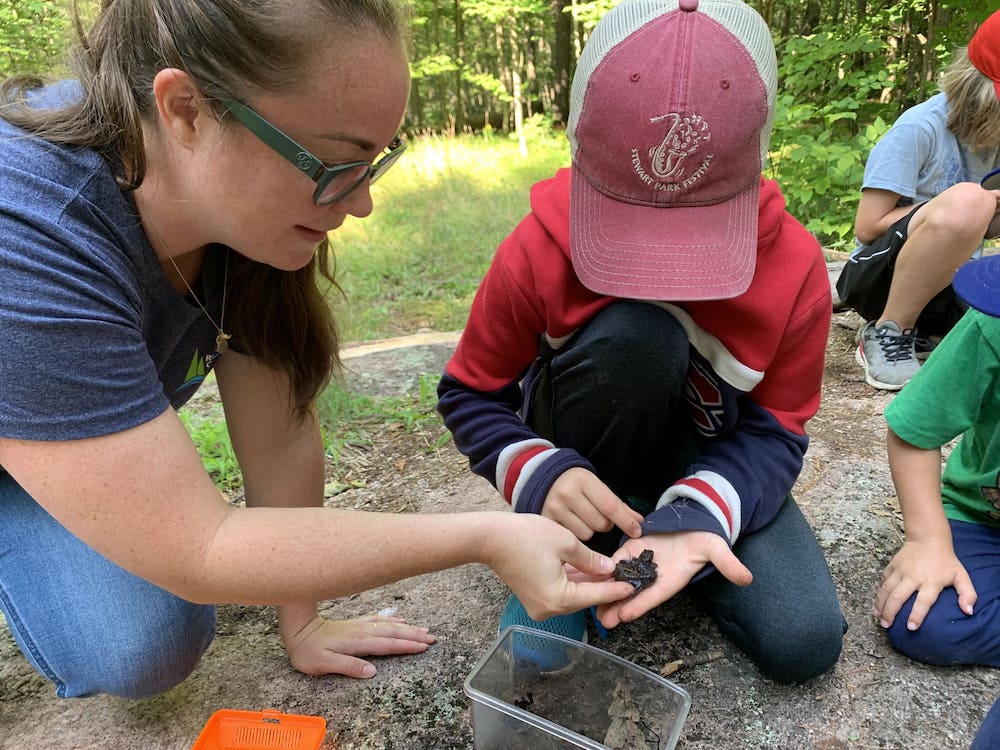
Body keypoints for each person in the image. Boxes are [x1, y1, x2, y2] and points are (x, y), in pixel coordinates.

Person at [0, 0, 637, 700]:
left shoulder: (240, 196)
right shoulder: (29, 235)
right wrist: (484, 537)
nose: (360, 204)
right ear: (184, 109)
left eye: (374, 161)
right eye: (338, 164)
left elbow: (278, 440)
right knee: (137, 648)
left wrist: (301, 621)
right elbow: (199, 547)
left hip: (55, 403)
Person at [437, 0, 846, 683]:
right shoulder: (539, 244)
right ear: (577, 143)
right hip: (585, 443)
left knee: (804, 639)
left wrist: (705, 512)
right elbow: (469, 393)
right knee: (639, 335)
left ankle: (663, 543)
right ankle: (571, 548)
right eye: (628, 228)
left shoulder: (796, 268)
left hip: (708, 462)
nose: (663, 266)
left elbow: (779, 431)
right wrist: (539, 472)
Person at [871, 251, 1000, 746]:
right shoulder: (992, 324)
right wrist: (928, 540)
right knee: (925, 620)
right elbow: (914, 429)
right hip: (984, 518)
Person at [835, 9, 1000, 391]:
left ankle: (929, 333)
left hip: (949, 286)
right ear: (979, 90)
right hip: (880, 280)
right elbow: (867, 225)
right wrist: (968, 204)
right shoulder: (919, 128)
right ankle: (888, 331)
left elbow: (981, 226)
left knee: (973, 204)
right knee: (969, 201)